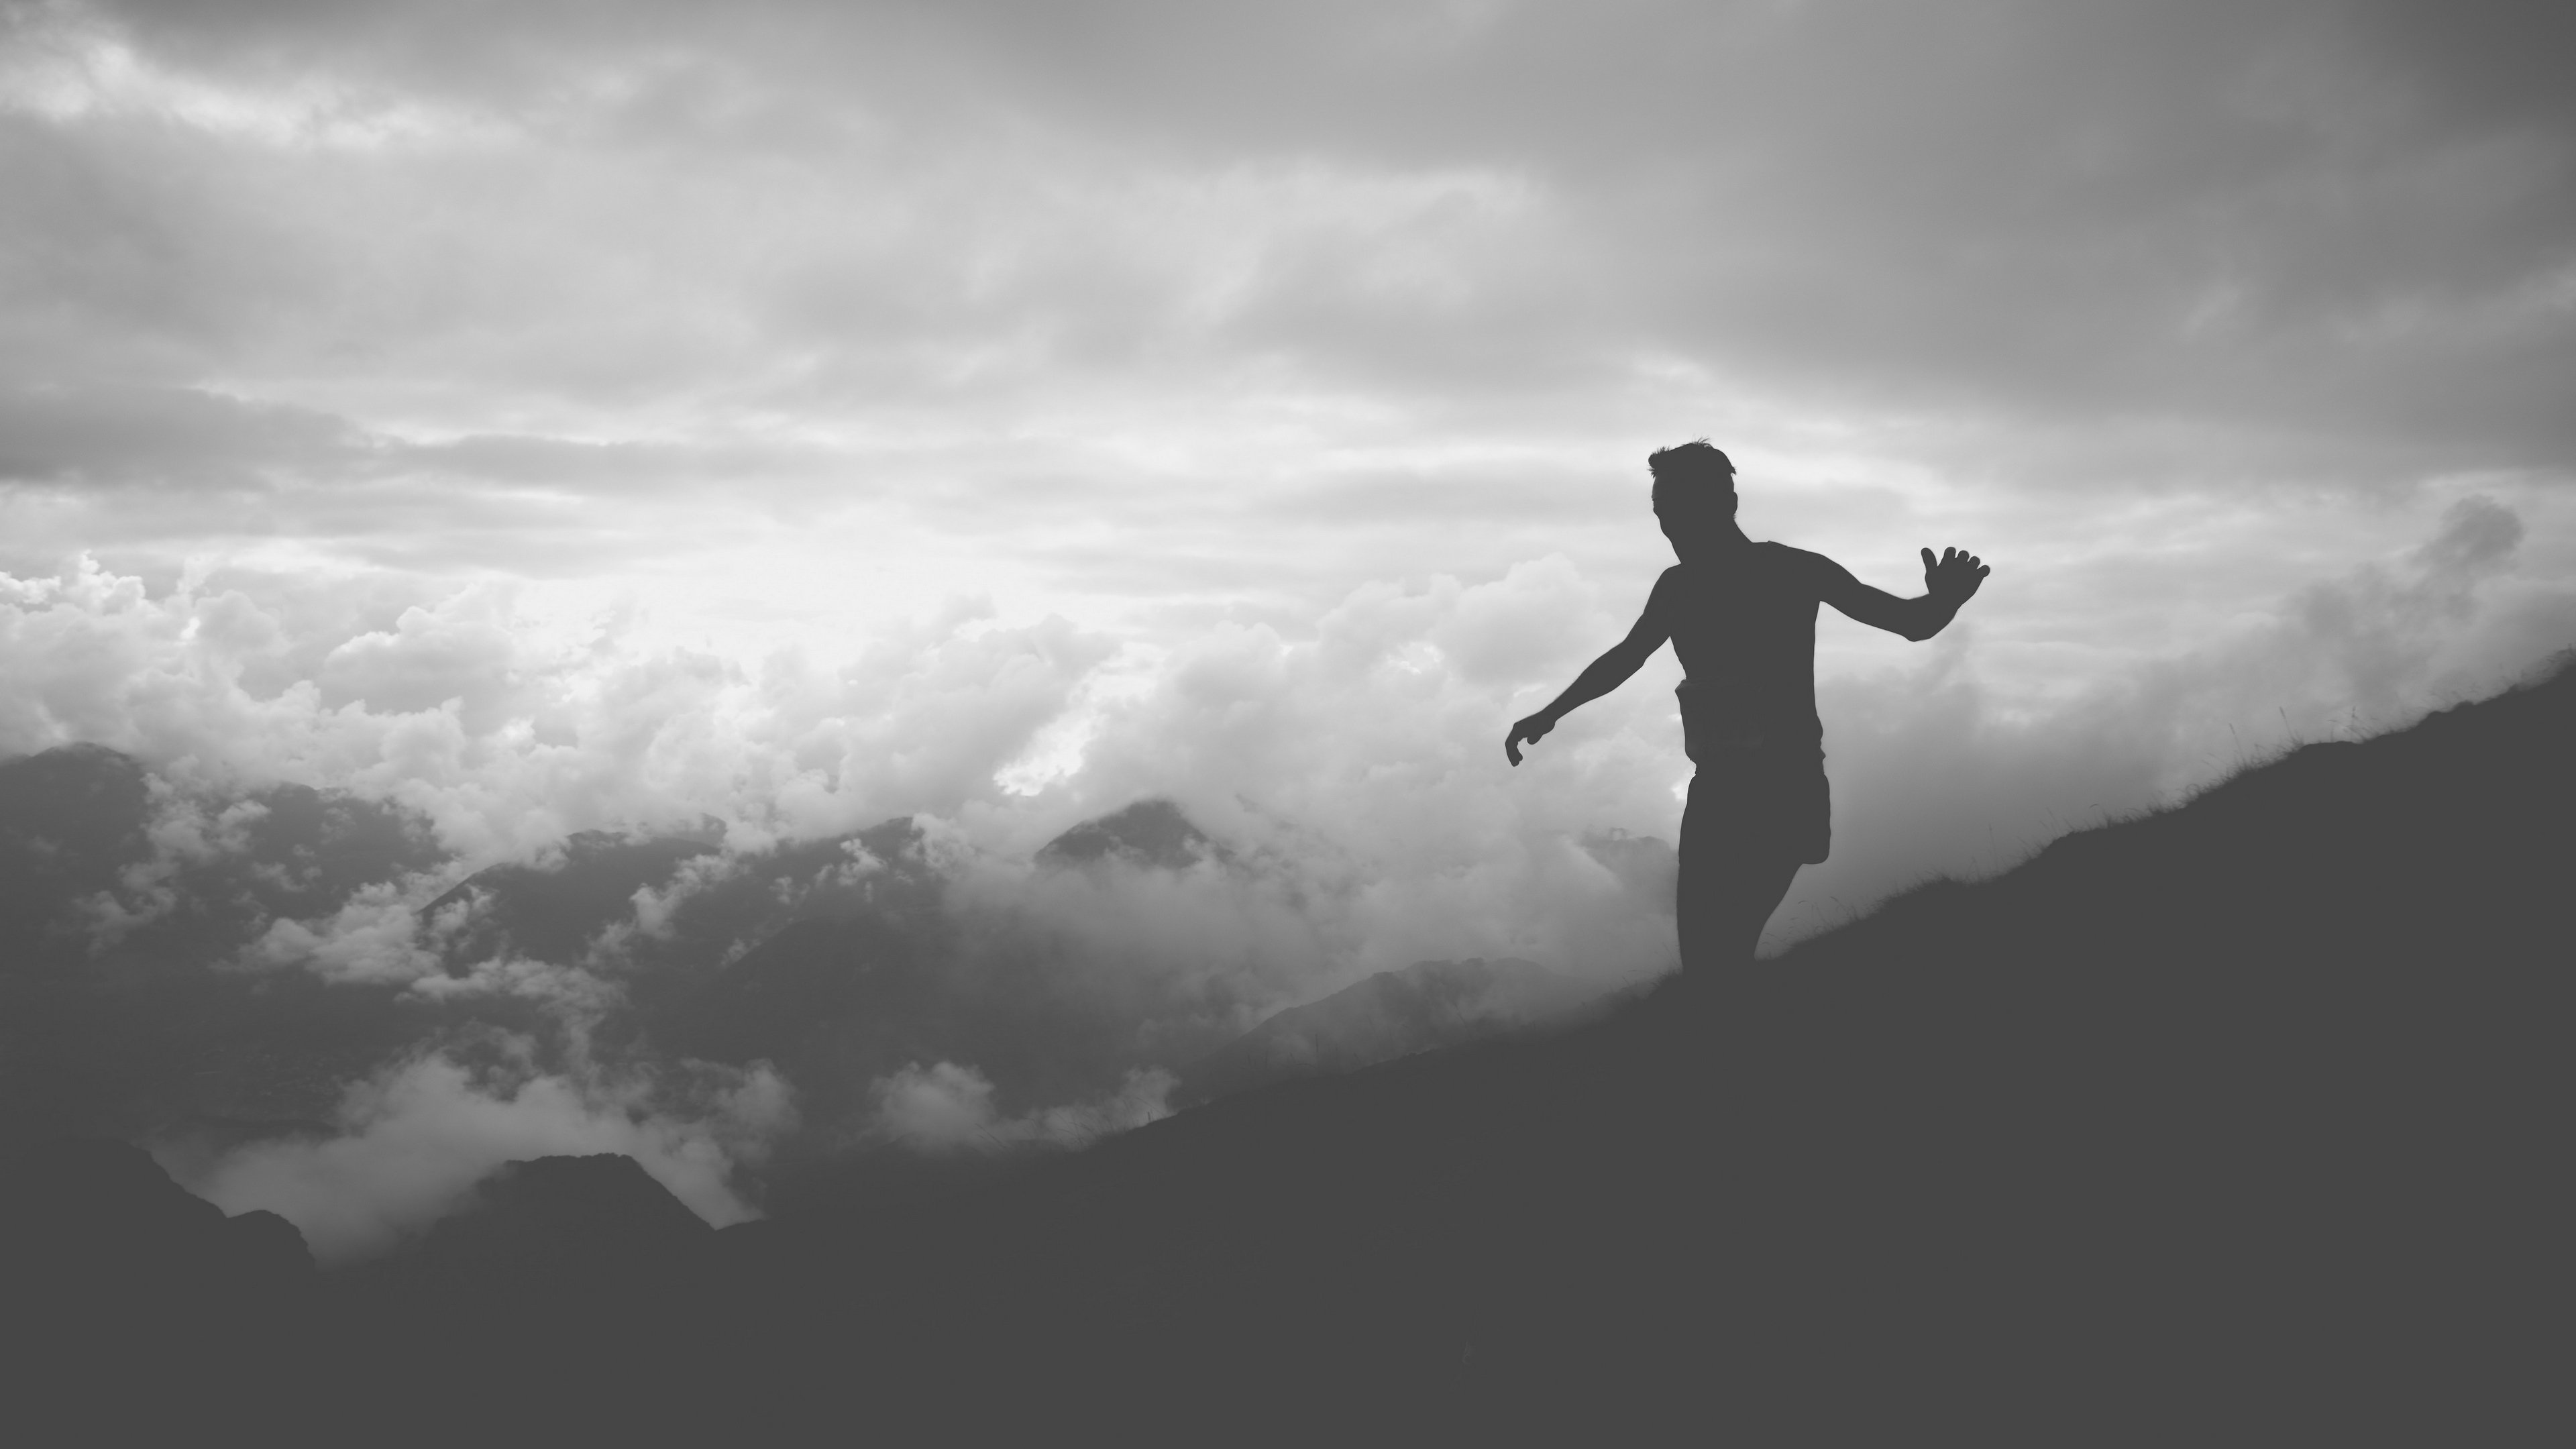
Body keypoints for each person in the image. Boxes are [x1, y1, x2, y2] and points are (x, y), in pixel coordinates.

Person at [1505, 441, 1988, 987]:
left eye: (1677, 512)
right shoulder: (1676, 587)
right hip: (1715, 791)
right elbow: (1627, 656)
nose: (1667, 527)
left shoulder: (1793, 571)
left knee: (1721, 955)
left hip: (1785, 785)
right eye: (1661, 515)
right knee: (1708, 962)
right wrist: (1552, 712)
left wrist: (1944, 601)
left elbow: (1909, 622)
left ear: (1726, 503)